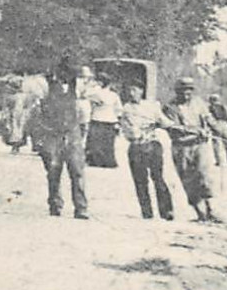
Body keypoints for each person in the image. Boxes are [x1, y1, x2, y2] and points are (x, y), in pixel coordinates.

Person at [30, 57, 89, 219]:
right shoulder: (44, 84)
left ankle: (81, 207)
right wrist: (39, 137)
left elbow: (82, 108)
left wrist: (81, 130)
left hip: (72, 132)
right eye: (67, 72)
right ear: (60, 70)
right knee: (53, 170)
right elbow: (35, 111)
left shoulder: (77, 85)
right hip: (52, 133)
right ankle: (55, 204)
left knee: (77, 170)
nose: (69, 76)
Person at [118, 82, 174, 221]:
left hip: (153, 146)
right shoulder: (125, 108)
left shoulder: (152, 106)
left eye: (135, 90)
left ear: (141, 91)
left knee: (158, 178)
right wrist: (141, 130)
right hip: (136, 147)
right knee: (140, 181)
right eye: (129, 90)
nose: (132, 93)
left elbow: (165, 122)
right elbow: (129, 131)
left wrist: (163, 124)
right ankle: (147, 212)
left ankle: (167, 211)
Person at [165, 78, 218, 222]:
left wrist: (215, 129)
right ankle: (200, 213)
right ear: (177, 93)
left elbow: (209, 119)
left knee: (204, 177)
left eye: (189, 93)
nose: (186, 97)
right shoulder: (170, 108)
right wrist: (195, 132)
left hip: (200, 146)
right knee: (189, 181)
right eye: (183, 94)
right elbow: (174, 132)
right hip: (181, 148)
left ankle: (211, 210)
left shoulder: (199, 103)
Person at [82, 70, 120, 168]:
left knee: (95, 142)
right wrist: (117, 120)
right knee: (107, 143)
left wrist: (91, 85)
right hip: (109, 119)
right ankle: (107, 161)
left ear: (101, 83)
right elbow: (118, 109)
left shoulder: (95, 92)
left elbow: (84, 94)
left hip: (98, 118)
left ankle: (94, 160)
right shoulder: (113, 95)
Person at [207, 94, 227, 168]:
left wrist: (210, 127)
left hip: (216, 124)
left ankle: (219, 161)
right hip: (224, 125)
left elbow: (208, 118)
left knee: (216, 144)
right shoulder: (223, 106)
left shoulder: (210, 108)